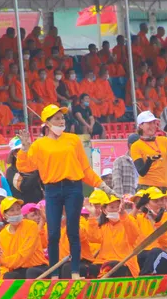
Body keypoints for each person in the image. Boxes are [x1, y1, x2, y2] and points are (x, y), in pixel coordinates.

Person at [16, 104, 111, 279]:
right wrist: (24, 149)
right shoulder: (39, 144)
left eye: (62, 118)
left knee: (73, 231)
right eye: (57, 118)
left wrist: (101, 184)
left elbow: (85, 168)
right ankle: (54, 273)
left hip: (73, 187)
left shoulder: (73, 140)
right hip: (52, 189)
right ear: (47, 123)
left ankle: (75, 272)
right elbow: (25, 167)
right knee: (53, 233)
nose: (61, 121)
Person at [87, 191, 142, 277]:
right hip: (104, 262)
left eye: (117, 207)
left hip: (125, 263)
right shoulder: (103, 226)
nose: (115, 209)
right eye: (112, 207)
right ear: (104, 210)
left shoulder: (128, 220)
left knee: (113, 265)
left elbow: (134, 235)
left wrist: (123, 214)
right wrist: (91, 216)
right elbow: (93, 238)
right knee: (90, 268)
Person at [0, 197, 48, 279]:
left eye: (18, 209)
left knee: (30, 272)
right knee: (8, 276)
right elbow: (3, 260)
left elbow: (25, 254)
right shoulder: (2, 234)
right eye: (12, 210)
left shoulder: (31, 226)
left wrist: (2, 261)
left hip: (37, 267)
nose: (16, 213)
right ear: (4, 215)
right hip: (18, 269)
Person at [131, 111, 167, 189]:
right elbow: (141, 172)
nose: (153, 126)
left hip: (165, 186)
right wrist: (149, 162)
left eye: (154, 123)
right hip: (147, 187)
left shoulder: (164, 140)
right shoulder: (136, 146)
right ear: (141, 125)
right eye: (149, 123)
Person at [5, 137, 43, 204]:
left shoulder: (34, 165)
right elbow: (23, 187)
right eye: (21, 149)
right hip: (24, 207)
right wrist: (37, 172)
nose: (25, 151)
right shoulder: (11, 171)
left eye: (27, 148)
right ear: (14, 153)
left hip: (39, 204)